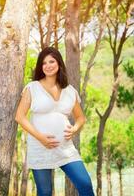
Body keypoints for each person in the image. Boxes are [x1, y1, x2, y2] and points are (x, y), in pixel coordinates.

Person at [15, 47, 95, 196]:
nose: (48, 65)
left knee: (85, 184)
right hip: (39, 147)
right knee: (45, 192)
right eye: (44, 63)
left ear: (59, 64)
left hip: (65, 148)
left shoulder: (69, 90)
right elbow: (19, 116)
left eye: (51, 61)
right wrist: (41, 138)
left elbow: (81, 117)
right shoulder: (32, 88)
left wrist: (74, 128)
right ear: (40, 66)